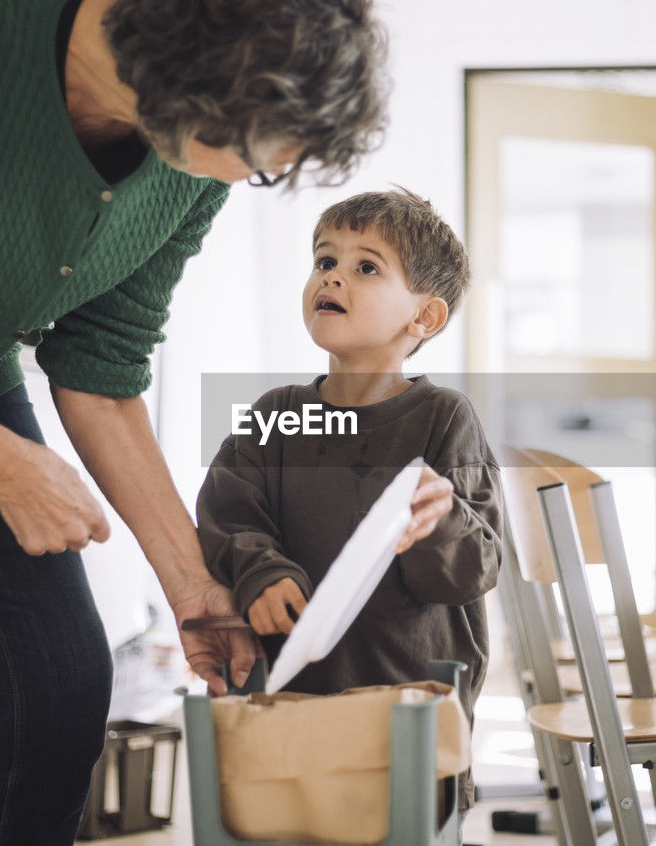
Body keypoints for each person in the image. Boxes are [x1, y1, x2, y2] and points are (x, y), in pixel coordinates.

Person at [0, 0, 387, 841]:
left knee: (60, 683)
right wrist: (2, 461)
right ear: (181, 77)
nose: (243, 180)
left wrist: (194, 586)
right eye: (253, 159)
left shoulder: (194, 160)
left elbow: (101, 364)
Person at [196, 188, 503, 803]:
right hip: (287, 702)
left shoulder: (444, 418)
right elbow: (227, 513)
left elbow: (477, 566)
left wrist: (439, 521)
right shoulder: (275, 414)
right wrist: (261, 572)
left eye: (366, 266)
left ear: (424, 318)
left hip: (408, 700)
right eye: (323, 261)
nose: (332, 276)